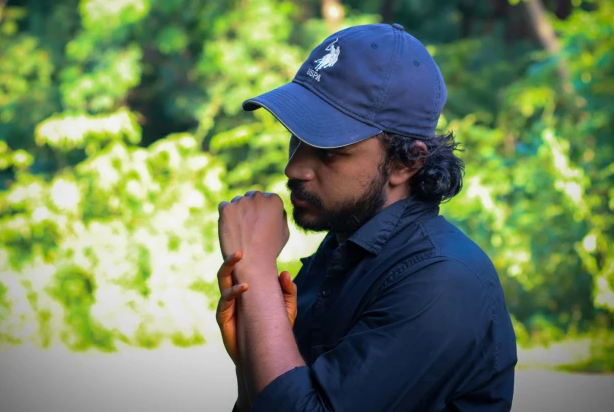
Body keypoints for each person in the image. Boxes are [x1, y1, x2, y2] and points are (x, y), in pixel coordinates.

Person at [215, 23, 517, 412]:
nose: (294, 168)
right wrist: (253, 348)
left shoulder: (443, 281)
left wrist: (255, 272)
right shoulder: (339, 253)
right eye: (296, 138)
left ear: (407, 162)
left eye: (328, 150)